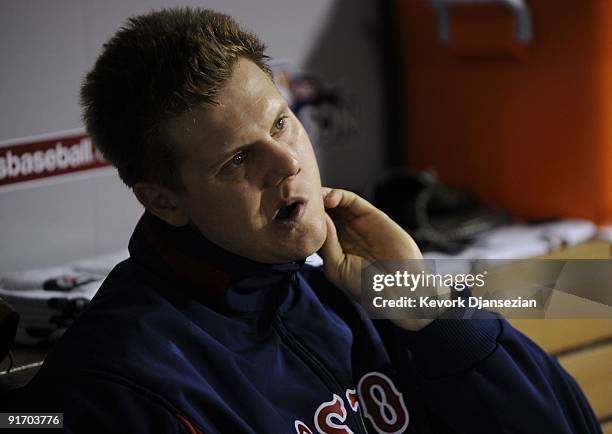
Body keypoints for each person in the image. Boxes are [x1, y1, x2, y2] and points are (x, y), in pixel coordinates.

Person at [16, 7, 600, 434]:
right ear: (166, 200)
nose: (290, 163)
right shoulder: (127, 381)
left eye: (280, 124)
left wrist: (427, 310)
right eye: (238, 159)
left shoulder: (353, 284)